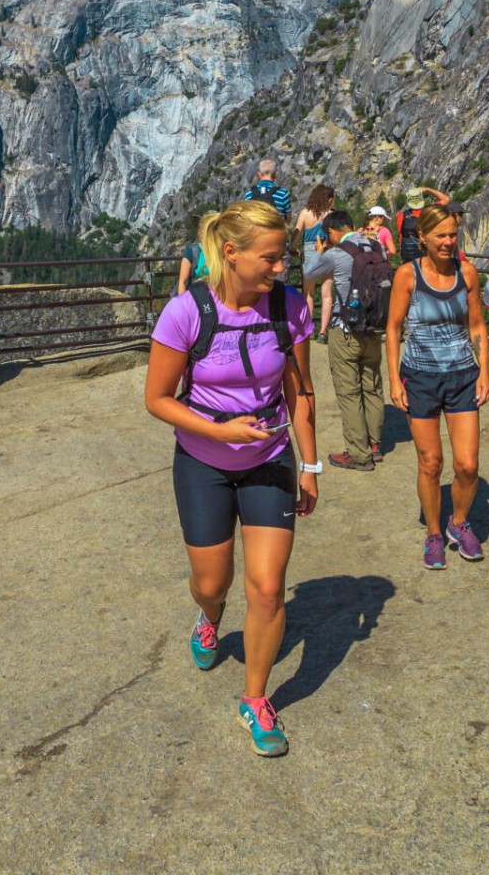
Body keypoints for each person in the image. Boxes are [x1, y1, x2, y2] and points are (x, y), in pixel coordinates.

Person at [145, 199, 319, 757]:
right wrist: (218, 433)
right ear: (231, 253)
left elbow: (300, 391)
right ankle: (208, 615)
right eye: (269, 259)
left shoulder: (290, 308)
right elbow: (157, 400)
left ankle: (255, 698)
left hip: (270, 459)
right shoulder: (185, 313)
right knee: (213, 583)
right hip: (203, 461)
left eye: (283, 257)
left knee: (268, 587)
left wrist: (310, 466)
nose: (280, 269)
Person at [386, 203, 489, 570]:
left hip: (462, 374)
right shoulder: (407, 275)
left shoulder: (467, 272)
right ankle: (433, 531)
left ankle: (458, 523)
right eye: (441, 235)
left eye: (453, 235)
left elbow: (477, 325)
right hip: (420, 377)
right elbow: (394, 328)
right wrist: (394, 379)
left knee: (467, 465)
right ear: (423, 237)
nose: (448, 242)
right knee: (431, 462)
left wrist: (484, 372)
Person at [306, 211, 390, 471]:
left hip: (345, 330)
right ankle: (375, 446)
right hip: (374, 329)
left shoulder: (336, 253)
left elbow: (309, 272)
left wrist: (317, 250)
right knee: (373, 386)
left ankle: (358, 453)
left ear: (332, 233)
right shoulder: (377, 248)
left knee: (349, 391)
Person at [396, 185, 452, 263]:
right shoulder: (430, 211)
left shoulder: (401, 215)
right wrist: (427, 189)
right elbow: (446, 199)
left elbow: (400, 236)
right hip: (426, 249)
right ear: (421, 200)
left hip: (408, 253)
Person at [293, 184, 336, 284]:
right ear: (329, 200)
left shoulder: (305, 213)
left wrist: (293, 248)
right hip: (327, 248)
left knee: (308, 292)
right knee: (327, 292)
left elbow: (297, 232)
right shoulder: (331, 214)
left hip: (309, 250)